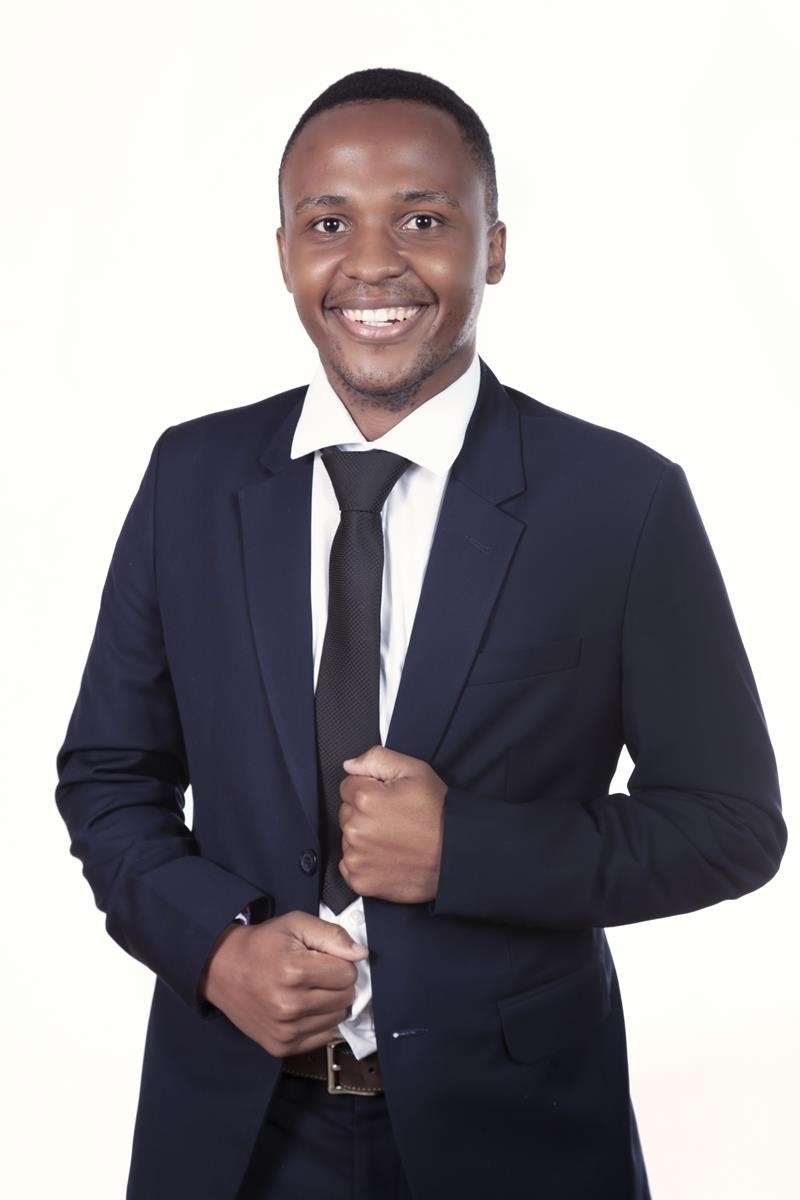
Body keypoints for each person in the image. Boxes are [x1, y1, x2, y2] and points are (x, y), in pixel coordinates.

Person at [56, 68, 786, 1200]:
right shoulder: (191, 477)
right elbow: (109, 776)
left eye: (424, 220)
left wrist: (467, 852)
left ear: (492, 247)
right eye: (327, 223)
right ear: (284, 252)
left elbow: (728, 825)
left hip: (518, 1138)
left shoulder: (618, 501)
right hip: (236, 1133)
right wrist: (216, 947)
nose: (372, 263)